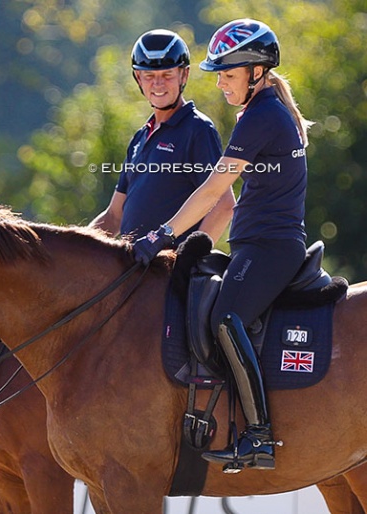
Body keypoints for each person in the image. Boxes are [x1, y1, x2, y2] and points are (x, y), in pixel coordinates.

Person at [133, 19, 313, 472]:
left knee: (226, 318)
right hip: (259, 245)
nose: (221, 83)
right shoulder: (263, 112)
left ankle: (258, 436)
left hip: (269, 247)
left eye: (228, 75)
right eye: (218, 74)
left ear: (256, 72)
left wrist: (163, 234)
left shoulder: (261, 117)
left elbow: (214, 190)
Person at [90, 29, 234, 244]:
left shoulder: (197, 129)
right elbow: (113, 217)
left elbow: (224, 205)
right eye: (149, 76)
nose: (158, 84)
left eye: (167, 75)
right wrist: (72, 248)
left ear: (183, 75)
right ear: (138, 78)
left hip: (170, 271)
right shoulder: (140, 137)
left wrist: (188, 260)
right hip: (134, 271)